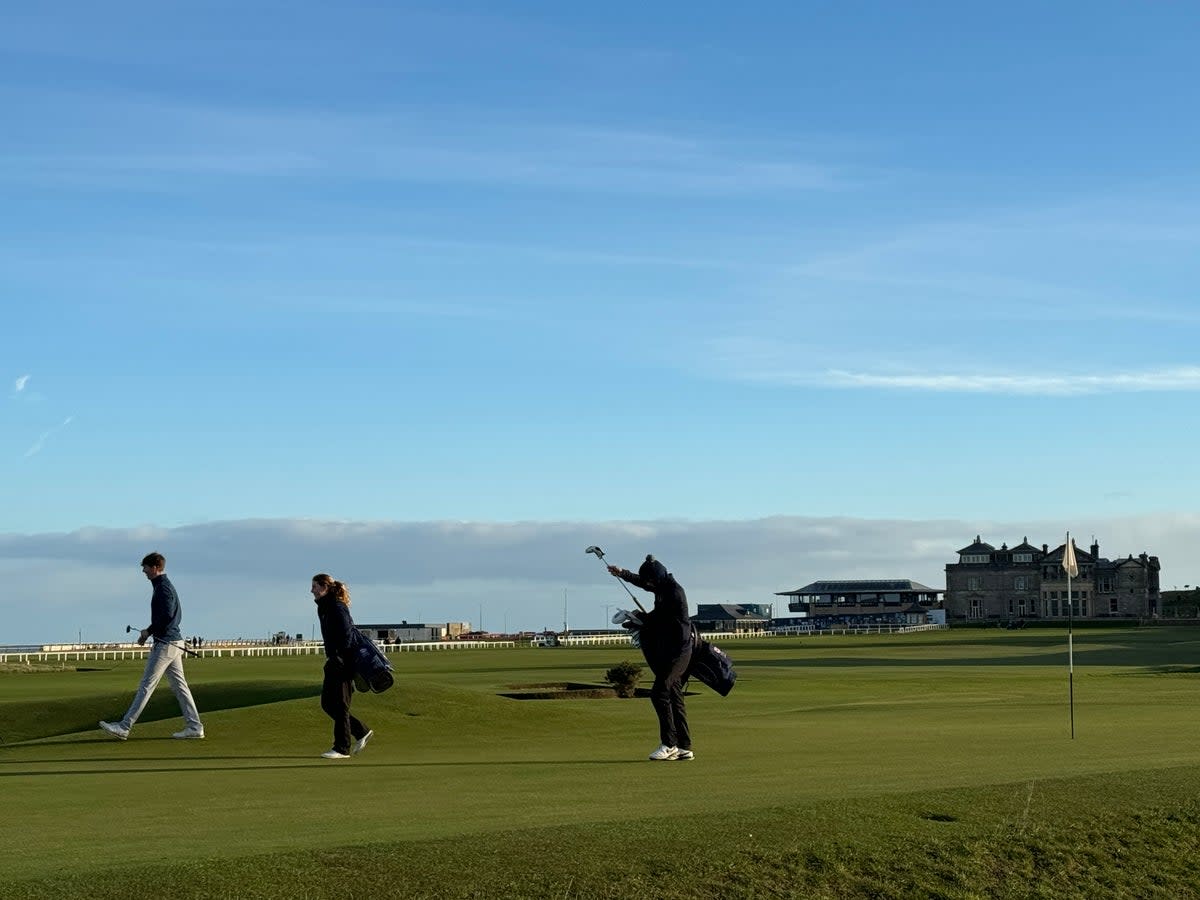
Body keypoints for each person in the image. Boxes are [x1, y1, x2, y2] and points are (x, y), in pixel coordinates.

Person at [99, 553, 205, 741]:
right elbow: (170, 617)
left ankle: (124, 727)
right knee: (180, 687)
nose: (143, 571)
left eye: (146, 567)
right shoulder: (162, 586)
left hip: (166, 644)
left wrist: (148, 631)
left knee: (146, 686)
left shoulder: (164, 588)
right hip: (172, 642)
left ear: (156, 567)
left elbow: (166, 617)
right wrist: (149, 632)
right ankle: (195, 726)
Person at [608, 554, 694, 761]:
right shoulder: (662, 584)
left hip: (679, 651)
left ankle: (669, 744)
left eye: (650, 581)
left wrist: (636, 617)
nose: (648, 585)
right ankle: (684, 746)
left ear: (657, 578)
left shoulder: (674, 593)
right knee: (674, 695)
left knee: (659, 693)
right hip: (672, 649)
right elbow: (642, 583)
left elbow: (658, 619)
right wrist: (622, 573)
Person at [312, 573, 373, 760]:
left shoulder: (337, 607)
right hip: (334, 661)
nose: (311, 590)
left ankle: (342, 748)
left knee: (339, 704)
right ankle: (361, 731)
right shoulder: (324, 608)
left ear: (324, 587)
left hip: (343, 662)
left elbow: (347, 635)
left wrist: (339, 657)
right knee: (328, 703)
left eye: (315, 586)